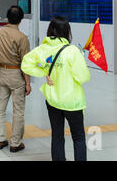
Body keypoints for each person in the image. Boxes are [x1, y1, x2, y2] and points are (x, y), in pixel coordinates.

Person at [21, 16, 90, 161]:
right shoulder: (72, 51)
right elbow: (83, 77)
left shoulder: (42, 49)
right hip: (72, 103)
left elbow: (26, 63)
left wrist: (43, 72)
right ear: (66, 32)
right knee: (78, 138)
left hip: (53, 100)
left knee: (57, 135)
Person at [0, 6, 31, 153]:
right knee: (18, 110)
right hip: (16, 75)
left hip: (2, 72)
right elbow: (25, 63)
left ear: (7, 18)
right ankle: (15, 142)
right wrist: (27, 82)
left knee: (0, 108)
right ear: (21, 20)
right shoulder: (22, 37)